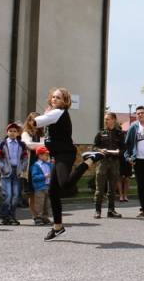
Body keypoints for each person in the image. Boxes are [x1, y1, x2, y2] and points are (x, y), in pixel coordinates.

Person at [35, 87, 101, 241]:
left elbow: (36, 122)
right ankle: (58, 227)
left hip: (65, 154)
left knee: (65, 184)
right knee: (53, 192)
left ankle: (90, 160)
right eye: (53, 97)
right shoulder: (53, 114)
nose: (54, 99)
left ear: (65, 101)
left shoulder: (58, 112)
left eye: (58, 97)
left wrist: (26, 126)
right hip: (58, 155)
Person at [0, 123, 29, 226]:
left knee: (15, 195)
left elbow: (25, 158)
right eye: (10, 131)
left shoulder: (21, 144)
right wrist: (3, 167)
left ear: (18, 133)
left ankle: (12, 216)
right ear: (7, 132)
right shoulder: (3, 143)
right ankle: (3, 216)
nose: (13, 133)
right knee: (8, 195)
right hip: (6, 172)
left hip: (17, 172)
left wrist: (22, 168)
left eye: (15, 131)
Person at [92, 112, 124, 219]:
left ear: (114, 120)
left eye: (108, 119)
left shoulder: (119, 134)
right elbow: (94, 147)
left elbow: (124, 148)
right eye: (105, 119)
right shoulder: (100, 133)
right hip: (102, 163)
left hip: (114, 163)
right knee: (99, 189)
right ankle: (97, 211)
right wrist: (100, 150)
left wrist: (120, 151)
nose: (106, 121)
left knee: (112, 189)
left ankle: (111, 210)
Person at [21, 113, 45, 220]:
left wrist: (39, 146)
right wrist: (43, 145)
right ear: (29, 121)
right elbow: (29, 145)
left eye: (38, 120)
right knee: (32, 193)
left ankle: (42, 215)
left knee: (41, 192)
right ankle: (35, 216)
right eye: (33, 120)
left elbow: (44, 147)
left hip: (42, 165)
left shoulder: (42, 133)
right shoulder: (25, 133)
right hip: (30, 165)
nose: (35, 123)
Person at [30, 146, 52, 225]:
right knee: (39, 203)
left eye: (48, 155)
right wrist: (44, 176)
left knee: (47, 203)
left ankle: (45, 217)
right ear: (40, 155)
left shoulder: (49, 164)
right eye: (46, 155)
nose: (47, 156)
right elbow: (34, 177)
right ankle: (38, 217)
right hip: (39, 188)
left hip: (48, 186)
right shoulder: (36, 166)